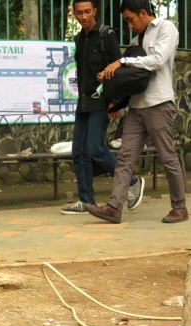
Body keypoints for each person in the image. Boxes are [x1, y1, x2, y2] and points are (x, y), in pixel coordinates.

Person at [85, 0, 187, 224]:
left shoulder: (166, 28)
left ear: (143, 13)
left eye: (131, 19)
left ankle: (179, 207)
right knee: (125, 158)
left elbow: (158, 60)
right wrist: (112, 80)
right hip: (137, 107)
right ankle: (114, 207)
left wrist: (123, 61)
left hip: (159, 103)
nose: (129, 25)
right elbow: (133, 78)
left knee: (167, 157)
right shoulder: (136, 40)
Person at [61, 0, 144, 215]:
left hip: (102, 100)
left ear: (95, 11)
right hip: (84, 102)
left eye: (87, 12)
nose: (84, 17)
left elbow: (117, 68)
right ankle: (85, 201)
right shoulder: (79, 38)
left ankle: (132, 180)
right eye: (79, 13)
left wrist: (114, 101)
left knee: (94, 148)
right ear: (75, 15)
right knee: (78, 151)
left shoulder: (107, 35)